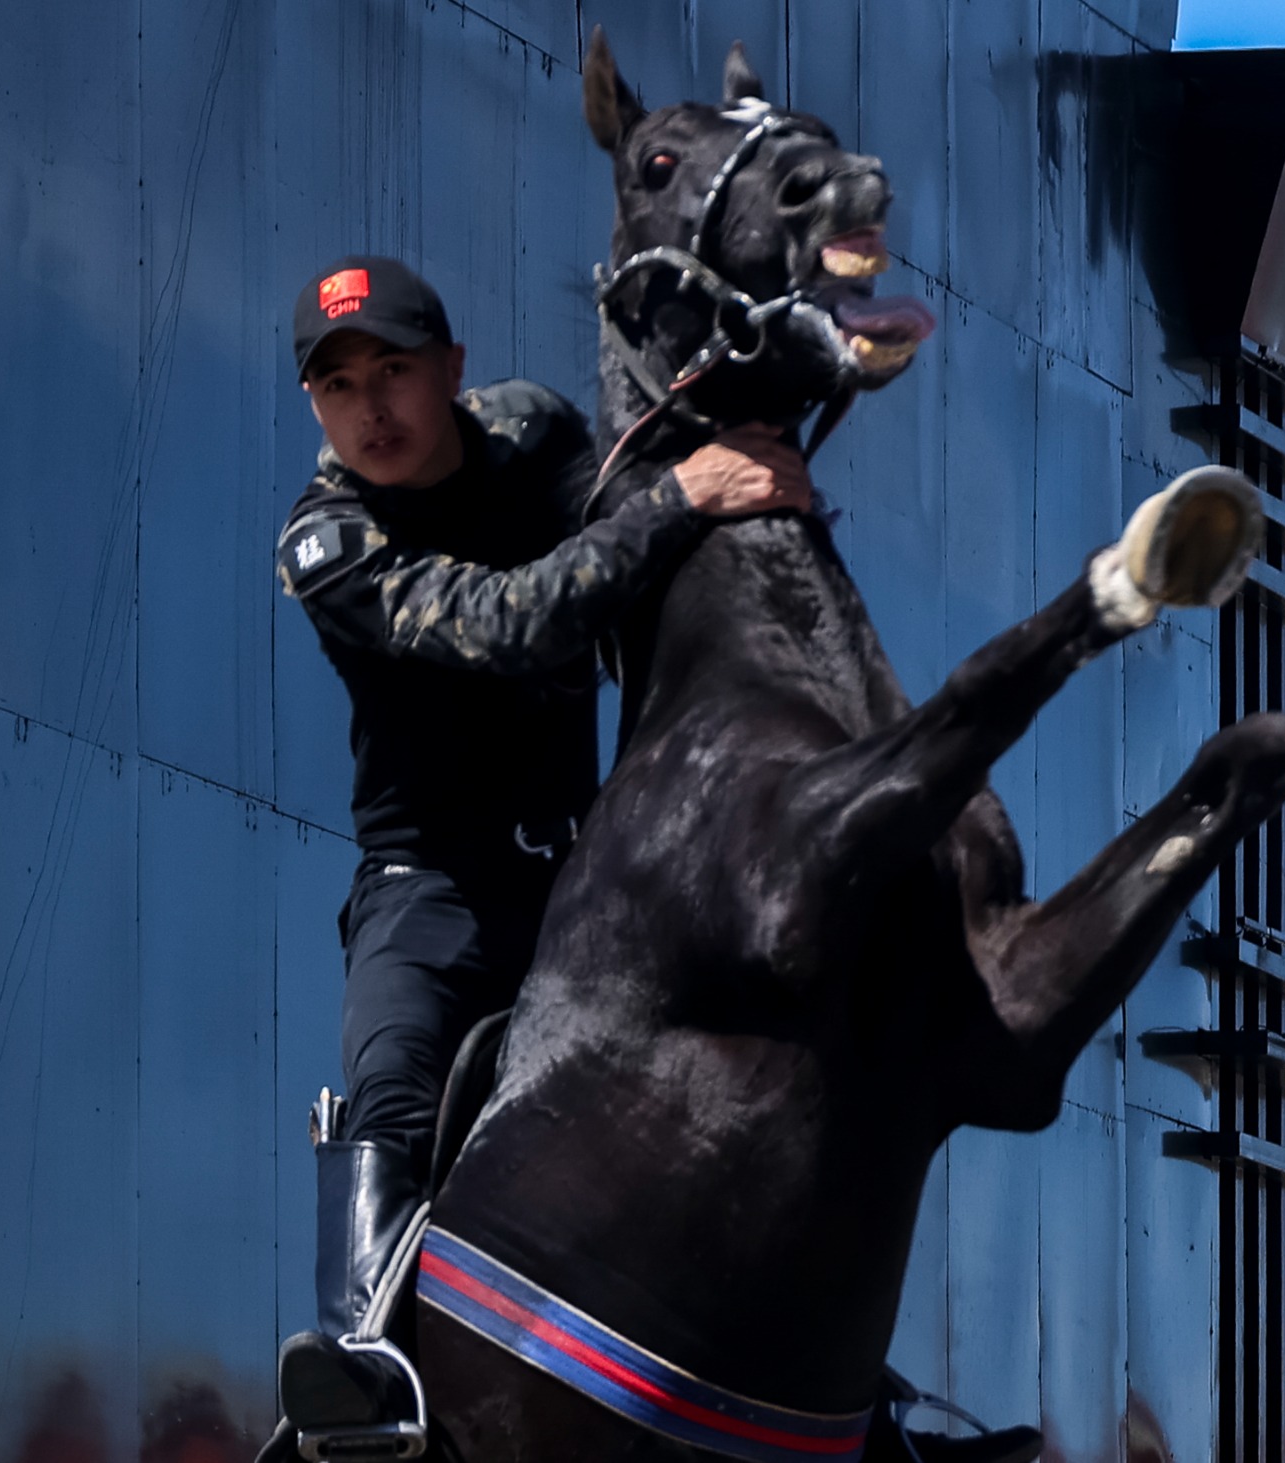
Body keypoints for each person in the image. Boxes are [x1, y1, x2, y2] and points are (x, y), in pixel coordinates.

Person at [272, 255, 813, 1433]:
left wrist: (755, 434)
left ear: (452, 369)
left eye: (393, 370)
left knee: (757, 1072)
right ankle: (363, 1362)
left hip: (590, 880)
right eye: (338, 385)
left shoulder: (533, 429)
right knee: (391, 1081)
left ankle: (844, 1383)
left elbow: (641, 530)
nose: (370, 408)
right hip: (432, 888)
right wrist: (684, 499)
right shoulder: (326, 542)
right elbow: (509, 623)